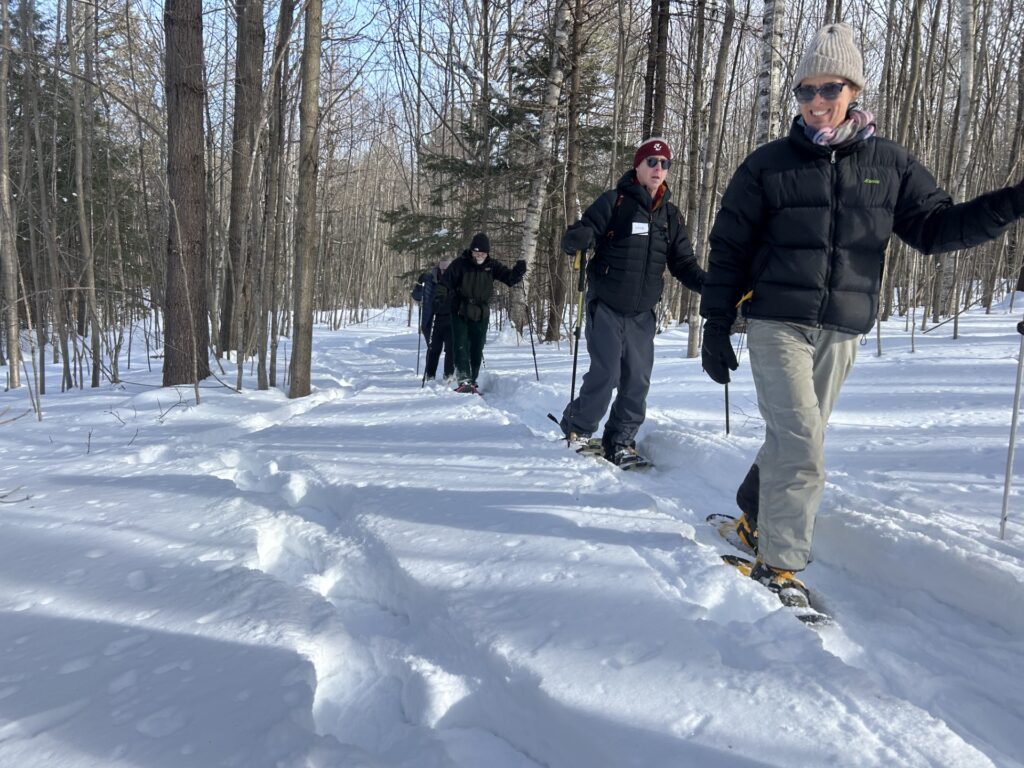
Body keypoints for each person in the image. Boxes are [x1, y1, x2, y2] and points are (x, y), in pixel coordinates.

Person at [699, 22, 1024, 606]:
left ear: (853, 90)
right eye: (805, 91)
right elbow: (729, 250)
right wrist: (716, 324)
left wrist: (1011, 202)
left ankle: (753, 513)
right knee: (801, 444)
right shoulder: (767, 165)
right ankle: (780, 565)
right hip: (777, 321)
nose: (817, 103)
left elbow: (935, 229)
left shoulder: (889, 164)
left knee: (797, 437)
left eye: (829, 89)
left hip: (842, 327)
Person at [558, 137, 706, 466]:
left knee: (636, 379)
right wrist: (576, 239)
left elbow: (683, 264)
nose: (658, 169)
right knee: (607, 373)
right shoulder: (615, 202)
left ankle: (621, 440)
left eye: (664, 164)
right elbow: (579, 235)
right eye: (652, 162)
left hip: (642, 312)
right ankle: (578, 429)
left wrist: (710, 286)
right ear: (638, 166)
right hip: (607, 303)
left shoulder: (670, 216)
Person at [442, 232, 526, 393]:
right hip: (460, 310)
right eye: (476, 251)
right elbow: (445, 283)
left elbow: (509, 279)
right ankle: (464, 379)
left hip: (481, 313)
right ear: (471, 251)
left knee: (476, 348)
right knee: (460, 346)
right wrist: (440, 295)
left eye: (482, 252)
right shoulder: (460, 264)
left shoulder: (492, 266)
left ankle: (472, 380)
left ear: (487, 253)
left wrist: (518, 272)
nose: (479, 255)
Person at [412, 257, 455, 381]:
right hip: (433, 319)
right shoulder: (430, 280)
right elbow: (416, 296)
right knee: (433, 349)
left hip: (451, 318)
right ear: (438, 268)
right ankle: (429, 376)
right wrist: (419, 285)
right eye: (442, 269)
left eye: (447, 269)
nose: (444, 271)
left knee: (451, 349)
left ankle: (449, 376)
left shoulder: (456, 280)